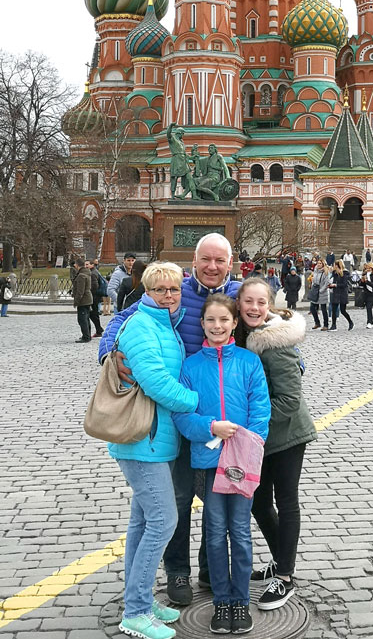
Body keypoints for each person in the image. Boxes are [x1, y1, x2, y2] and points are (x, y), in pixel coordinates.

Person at [99, 233, 240, 606]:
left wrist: (291, 359)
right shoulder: (174, 290)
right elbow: (123, 320)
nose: (212, 267)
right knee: (175, 501)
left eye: (219, 261)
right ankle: (177, 573)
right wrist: (108, 353)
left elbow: (269, 320)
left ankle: (212, 570)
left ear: (230, 262)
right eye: (205, 259)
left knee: (217, 499)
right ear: (194, 260)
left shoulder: (240, 292)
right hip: (177, 417)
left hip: (219, 416)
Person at [109, 262, 198, 639]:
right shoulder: (143, 326)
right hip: (143, 440)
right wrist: (198, 401)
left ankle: (139, 597)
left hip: (154, 439)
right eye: (160, 289)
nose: (168, 295)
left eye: (174, 289)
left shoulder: (164, 323)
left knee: (142, 522)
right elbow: (156, 382)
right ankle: (136, 613)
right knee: (164, 521)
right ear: (145, 290)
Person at [173, 294, 270, 633]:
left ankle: (240, 602)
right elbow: (184, 417)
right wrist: (210, 428)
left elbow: (260, 410)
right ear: (202, 324)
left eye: (224, 320)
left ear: (234, 323)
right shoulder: (191, 366)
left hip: (241, 464)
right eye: (211, 320)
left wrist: (247, 444)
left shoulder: (248, 362)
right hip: (209, 462)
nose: (217, 326)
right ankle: (221, 602)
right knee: (214, 534)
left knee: (241, 534)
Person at [234, 278, 317, 610]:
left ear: (269, 306)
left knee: (286, 501)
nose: (254, 308)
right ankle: (281, 559)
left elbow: (289, 401)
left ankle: (285, 576)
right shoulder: (243, 335)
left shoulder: (274, 343)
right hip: (262, 437)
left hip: (286, 435)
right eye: (248, 301)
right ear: (238, 303)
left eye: (261, 302)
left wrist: (250, 427)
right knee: (257, 502)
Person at [72, 257, 93, 342]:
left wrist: (76, 301)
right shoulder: (86, 273)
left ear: (77, 265)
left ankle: (86, 337)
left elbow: (80, 291)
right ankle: (87, 335)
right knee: (86, 318)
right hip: (88, 299)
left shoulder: (81, 275)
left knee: (82, 319)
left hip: (84, 300)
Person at [329, 260, 353, 331]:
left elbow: (345, 284)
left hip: (342, 293)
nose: (334, 267)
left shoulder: (345, 273)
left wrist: (336, 285)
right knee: (334, 310)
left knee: (343, 311)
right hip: (336, 293)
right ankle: (333, 325)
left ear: (337, 265)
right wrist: (330, 285)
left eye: (335, 265)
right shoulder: (334, 273)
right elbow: (333, 281)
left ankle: (350, 322)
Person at [309, 259, 329, 331]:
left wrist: (321, 290)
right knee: (312, 308)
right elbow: (314, 280)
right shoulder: (315, 271)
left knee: (323, 309)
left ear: (323, 264)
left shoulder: (325, 272)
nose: (318, 264)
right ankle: (317, 323)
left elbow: (327, 283)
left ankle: (326, 325)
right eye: (318, 263)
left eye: (320, 263)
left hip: (322, 292)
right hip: (315, 291)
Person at [85, 260, 103, 337]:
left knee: (93, 314)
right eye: (85, 264)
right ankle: (99, 329)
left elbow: (94, 286)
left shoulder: (92, 273)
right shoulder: (95, 271)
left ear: (92, 265)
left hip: (94, 297)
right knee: (93, 314)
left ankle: (99, 330)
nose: (85, 266)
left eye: (87, 264)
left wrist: (89, 294)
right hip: (96, 296)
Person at [358, 262, 373, 328]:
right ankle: (371, 322)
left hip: (372, 293)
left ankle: (369, 322)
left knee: (369, 307)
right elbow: (360, 284)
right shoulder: (365, 274)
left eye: (369, 268)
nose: (368, 269)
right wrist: (362, 281)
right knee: (368, 308)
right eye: (367, 268)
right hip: (366, 293)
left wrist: (367, 281)